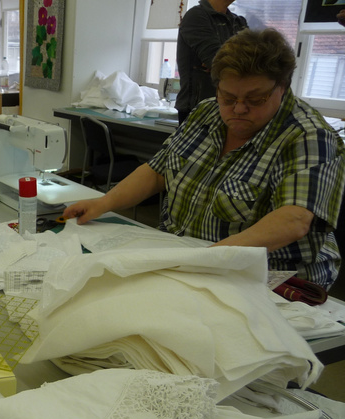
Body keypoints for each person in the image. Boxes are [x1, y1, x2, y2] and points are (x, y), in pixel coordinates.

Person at [63, 28, 345, 290]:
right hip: (187, 257)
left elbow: (293, 220)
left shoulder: (309, 136)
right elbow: (158, 171)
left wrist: (207, 259)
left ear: (282, 87)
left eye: (256, 99)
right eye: (228, 97)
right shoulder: (206, 113)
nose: (239, 109)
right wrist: (103, 203)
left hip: (268, 278)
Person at [175, 0, 247, 124]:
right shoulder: (196, 16)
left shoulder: (238, 22)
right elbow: (217, 62)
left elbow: (253, 61)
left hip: (231, 107)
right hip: (199, 110)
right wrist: (224, 63)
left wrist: (228, 63)